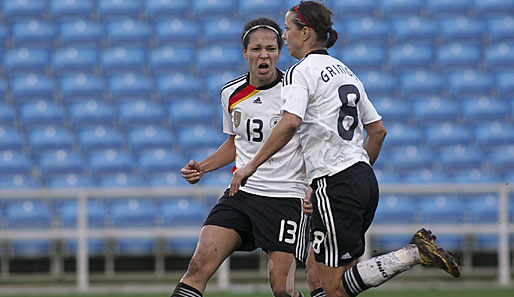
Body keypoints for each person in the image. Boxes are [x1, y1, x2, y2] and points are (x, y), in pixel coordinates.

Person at [229, 2, 462, 297]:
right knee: (318, 276)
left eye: (287, 29)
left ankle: (412, 254)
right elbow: (378, 131)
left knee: (333, 287)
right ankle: (412, 253)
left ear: (305, 32)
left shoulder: (300, 72)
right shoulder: (346, 72)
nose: (284, 36)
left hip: (336, 183)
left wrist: (251, 166)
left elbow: (290, 123)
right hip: (363, 178)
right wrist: (354, 172)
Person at [171, 17, 308, 297]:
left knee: (281, 287)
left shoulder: (294, 93)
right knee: (198, 266)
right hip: (243, 194)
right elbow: (236, 142)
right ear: (245, 53)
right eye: (256, 48)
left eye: (271, 48)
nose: (264, 55)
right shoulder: (230, 93)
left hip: (285, 198)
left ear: (279, 53)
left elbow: (310, 144)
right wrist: (203, 168)